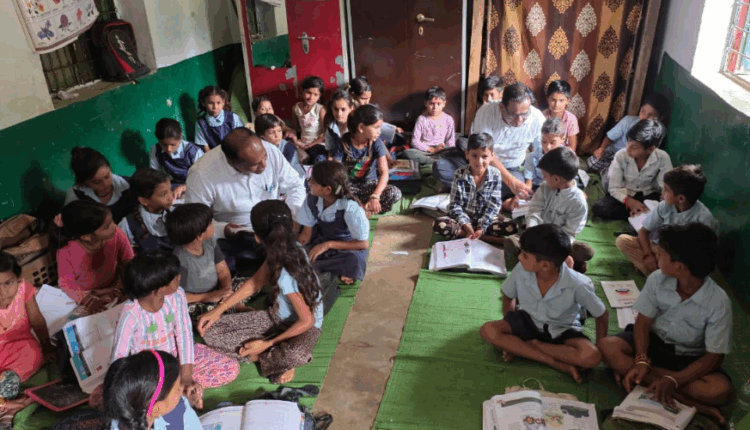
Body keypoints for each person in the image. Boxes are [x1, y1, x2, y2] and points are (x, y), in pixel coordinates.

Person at [598, 223, 733, 424]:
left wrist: (675, 379)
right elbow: (643, 322)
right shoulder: (657, 279)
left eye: (660, 255)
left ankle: (644, 379)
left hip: (688, 356)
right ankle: (689, 401)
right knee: (606, 347)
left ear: (679, 267)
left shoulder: (718, 302)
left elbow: (714, 356)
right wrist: (641, 359)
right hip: (652, 342)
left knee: (720, 390)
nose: (656, 258)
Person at [198, 200, 324, 384]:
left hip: (304, 328)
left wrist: (266, 344)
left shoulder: (286, 272)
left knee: (296, 353)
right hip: (276, 317)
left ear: (257, 237)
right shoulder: (282, 249)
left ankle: (265, 356)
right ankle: (274, 359)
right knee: (211, 332)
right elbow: (256, 282)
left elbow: (307, 321)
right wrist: (219, 310)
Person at [480, 224, 608, 383]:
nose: (519, 257)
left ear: (545, 265)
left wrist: (600, 346)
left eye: (525, 255)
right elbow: (508, 296)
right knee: (488, 330)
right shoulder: (522, 269)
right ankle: (555, 363)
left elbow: (602, 315)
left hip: (562, 328)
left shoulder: (579, 284)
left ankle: (525, 347)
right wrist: (510, 323)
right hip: (528, 320)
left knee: (592, 357)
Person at [111, 251, 240, 407]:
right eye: (173, 277)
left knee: (230, 368)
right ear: (158, 290)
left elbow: (184, 334)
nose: (179, 277)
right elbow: (119, 356)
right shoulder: (130, 313)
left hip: (177, 357)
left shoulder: (177, 295)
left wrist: (186, 375)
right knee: (140, 391)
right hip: (150, 369)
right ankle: (177, 392)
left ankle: (178, 389)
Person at [183, 127, 305, 271]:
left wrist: (293, 217)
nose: (264, 165)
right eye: (255, 164)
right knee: (221, 259)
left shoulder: (269, 150)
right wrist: (223, 230)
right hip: (237, 237)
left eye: (264, 157)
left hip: (277, 224)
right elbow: (194, 221)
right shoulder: (201, 174)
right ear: (233, 162)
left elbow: (295, 185)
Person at [434, 82, 545, 210]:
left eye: (524, 114)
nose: (519, 121)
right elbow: (482, 152)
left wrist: (526, 184)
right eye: (514, 115)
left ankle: (467, 191)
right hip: (480, 164)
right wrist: (510, 182)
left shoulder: (537, 118)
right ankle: (496, 199)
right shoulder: (486, 112)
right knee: (441, 168)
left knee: (525, 182)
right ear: (502, 107)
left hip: (511, 168)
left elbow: (537, 154)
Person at [615, 165, 718, 276]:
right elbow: (643, 232)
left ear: (681, 198)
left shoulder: (704, 219)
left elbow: (701, 257)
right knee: (623, 241)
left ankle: (657, 275)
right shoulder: (665, 206)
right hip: (660, 250)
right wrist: (648, 255)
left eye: (666, 190)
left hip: (682, 259)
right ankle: (660, 275)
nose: (662, 192)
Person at [505, 147, 595, 273]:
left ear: (556, 179)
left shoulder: (579, 202)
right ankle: (556, 262)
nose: (544, 179)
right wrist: (531, 231)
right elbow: (534, 211)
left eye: (545, 176)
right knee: (512, 242)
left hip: (559, 243)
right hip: (537, 235)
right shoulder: (544, 188)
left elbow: (570, 232)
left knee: (586, 251)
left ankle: (539, 260)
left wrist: (555, 245)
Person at [166, 203, 254, 321]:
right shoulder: (180, 260)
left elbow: (223, 270)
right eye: (210, 223)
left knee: (249, 283)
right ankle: (232, 306)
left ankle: (229, 304)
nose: (213, 225)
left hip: (217, 289)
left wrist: (227, 290)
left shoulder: (210, 242)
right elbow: (174, 295)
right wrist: (206, 297)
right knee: (191, 310)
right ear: (199, 236)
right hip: (198, 298)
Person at [51, 201, 134, 314]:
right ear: (87, 236)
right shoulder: (66, 250)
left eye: (112, 221)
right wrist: (88, 300)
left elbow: (129, 263)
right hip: (84, 294)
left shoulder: (117, 235)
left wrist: (121, 288)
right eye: (107, 226)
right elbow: (66, 282)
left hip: (113, 288)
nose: (114, 226)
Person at [432, 133, 517, 242]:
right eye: (474, 156)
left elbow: (494, 205)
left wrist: (482, 227)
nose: (479, 162)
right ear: (467, 154)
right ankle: (485, 238)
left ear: (492, 156)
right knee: (439, 224)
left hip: (486, 219)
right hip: (463, 220)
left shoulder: (495, 174)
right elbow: (455, 205)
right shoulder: (460, 173)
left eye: (484, 156)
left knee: (512, 226)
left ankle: (474, 235)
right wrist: (466, 226)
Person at [0, 252, 53, 426]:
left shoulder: (24, 289)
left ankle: (8, 402)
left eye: (8, 283)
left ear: (18, 279)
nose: (3, 292)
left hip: (21, 348)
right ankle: (9, 405)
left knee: (33, 355)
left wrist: (47, 349)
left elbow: (37, 320)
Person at [298, 161, 370, 285]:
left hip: (346, 246)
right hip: (321, 239)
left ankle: (323, 268)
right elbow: (306, 233)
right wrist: (297, 247)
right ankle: (326, 268)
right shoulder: (311, 199)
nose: (309, 183)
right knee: (300, 254)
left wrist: (328, 245)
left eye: (313, 182)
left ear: (327, 189)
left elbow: (363, 244)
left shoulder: (350, 207)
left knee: (354, 260)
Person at [592, 119, 673, 220]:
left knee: (667, 207)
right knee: (600, 208)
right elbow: (614, 188)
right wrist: (629, 202)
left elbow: (665, 186)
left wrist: (664, 197)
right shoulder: (621, 156)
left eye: (634, 147)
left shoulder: (662, 157)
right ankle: (640, 213)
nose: (628, 149)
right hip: (626, 193)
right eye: (627, 143)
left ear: (650, 149)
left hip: (647, 195)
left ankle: (639, 212)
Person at [329, 105, 403, 216]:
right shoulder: (343, 143)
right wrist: (358, 202)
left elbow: (384, 173)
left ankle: (361, 209)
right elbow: (337, 176)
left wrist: (375, 196)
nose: (379, 132)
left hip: (369, 187)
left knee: (395, 193)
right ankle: (364, 209)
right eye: (376, 127)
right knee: (334, 191)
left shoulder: (376, 143)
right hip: (349, 187)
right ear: (361, 127)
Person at [103, 350, 203, 430]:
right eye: (178, 388)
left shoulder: (181, 407)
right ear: (157, 409)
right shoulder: (177, 411)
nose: (182, 389)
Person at [588, 93, 669, 175]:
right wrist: (602, 149)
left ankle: (612, 173)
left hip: (634, 161)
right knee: (593, 162)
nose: (644, 117)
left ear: (660, 118)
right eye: (643, 112)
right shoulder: (628, 121)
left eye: (650, 115)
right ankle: (612, 172)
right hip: (614, 154)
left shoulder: (659, 130)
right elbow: (609, 138)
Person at [64, 147, 131, 224]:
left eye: (107, 176)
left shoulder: (128, 185)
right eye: (97, 182)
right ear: (84, 182)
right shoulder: (76, 194)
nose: (106, 184)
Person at [118, 168, 175, 253]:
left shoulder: (179, 211)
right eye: (163, 194)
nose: (170, 197)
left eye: (170, 189)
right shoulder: (128, 225)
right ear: (144, 201)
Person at [149, 118, 204, 195]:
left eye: (173, 145)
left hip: (197, 184)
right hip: (175, 184)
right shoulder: (155, 150)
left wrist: (185, 187)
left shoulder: (193, 151)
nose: (168, 149)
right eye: (163, 145)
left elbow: (205, 176)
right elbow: (155, 174)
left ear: (180, 137)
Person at [404, 86, 455, 166]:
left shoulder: (448, 119)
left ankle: (436, 161)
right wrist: (431, 150)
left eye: (439, 104)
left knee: (457, 153)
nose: (435, 108)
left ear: (444, 104)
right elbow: (414, 141)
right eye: (431, 104)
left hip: (441, 150)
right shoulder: (421, 119)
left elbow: (450, 141)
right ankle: (436, 162)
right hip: (425, 151)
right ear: (426, 103)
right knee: (407, 153)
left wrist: (447, 151)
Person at [195, 85, 243, 152]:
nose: (215, 106)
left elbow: (241, 139)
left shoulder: (233, 117)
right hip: (214, 155)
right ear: (203, 103)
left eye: (218, 103)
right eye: (210, 103)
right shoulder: (200, 124)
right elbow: (206, 147)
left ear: (223, 102)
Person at [523, 117, 566, 192]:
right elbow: (529, 183)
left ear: (563, 139)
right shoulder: (532, 157)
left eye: (552, 143)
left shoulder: (566, 158)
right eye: (544, 142)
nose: (547, 147)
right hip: (538, 188)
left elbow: (567, 184)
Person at [292, 76, 327, 164]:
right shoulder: (296, 108)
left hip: (317, 143)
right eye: (308, 93)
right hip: (302, 143)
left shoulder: (320, 109)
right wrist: (296, 142)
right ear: (302, 91)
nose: (311, 97)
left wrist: (310, 145)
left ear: (320, 96)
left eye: (315, 95)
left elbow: (325, 134)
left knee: (317, 157)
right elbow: (294, 129)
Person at [543, 80, 579, 153]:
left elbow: (572, 148)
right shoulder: (541, 116)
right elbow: (536, 144)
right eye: (553, 100)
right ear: (547, 99)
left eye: (561, 100)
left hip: (562, 154)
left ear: (568, 101)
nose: (556, 104)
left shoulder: (571, 119)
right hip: (544, 152)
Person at [324, 89, 355, 153]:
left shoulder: (356, 126)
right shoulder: (330, 128)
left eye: (343, 109)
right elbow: (329, 150)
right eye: (335, 109)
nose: (339, 114)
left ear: (351, 108)